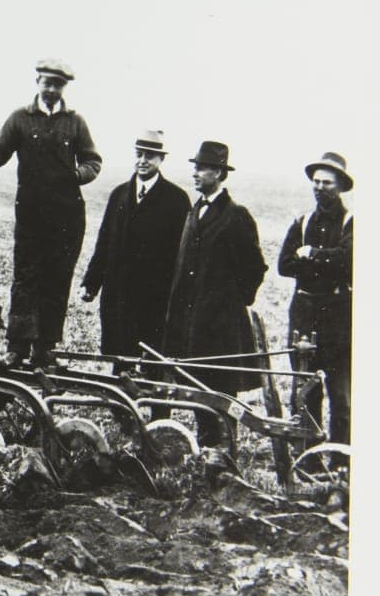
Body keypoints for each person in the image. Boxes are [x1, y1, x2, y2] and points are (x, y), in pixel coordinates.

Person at [0, 58, 102, 368]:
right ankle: (17, 348)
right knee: (26, 279)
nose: (52, 88)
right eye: (47, 82)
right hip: (31, 215)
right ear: (38, 83)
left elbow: (93, 162)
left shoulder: (76, 122)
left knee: (57, 280)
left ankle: (44, 350)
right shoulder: (19, 119)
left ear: (64, 88)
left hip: (67, 216)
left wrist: (77, 175)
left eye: (58, 84)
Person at [163, 140, 267, 448]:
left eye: (202, 168)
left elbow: (255, 268)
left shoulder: (236, 216)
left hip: (220, 327)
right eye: (194, 167)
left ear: (219, 173)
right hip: (192, 324)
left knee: (221, 392)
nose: (195, 174)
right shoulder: (194, 212)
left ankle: (225, 453)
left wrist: (231, 303)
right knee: (197, 386)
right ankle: (208, 449)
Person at [80, 129, 190, 362]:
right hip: (117, 294)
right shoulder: (119, 194)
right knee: (118, 359)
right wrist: (91, 283)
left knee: (150, 361)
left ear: (161, 159)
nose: (143, 161)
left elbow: (182, 253)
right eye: (139, 154)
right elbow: (104, 241)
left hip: (154, 298)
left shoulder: (177, 200)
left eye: (149, 156)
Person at [277, 152, 353, 444]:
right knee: (306, 394)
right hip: (304, 319)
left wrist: (310, 255)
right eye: (316, 182)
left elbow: (348, 261)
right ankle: (309, 460)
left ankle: (339, 461)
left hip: (338, 324)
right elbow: (285, 265)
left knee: (340, 397)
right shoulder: (303, 221)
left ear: (341, 187)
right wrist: (326, 262)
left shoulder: (351, 222)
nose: (320, 188)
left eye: (327, 183)